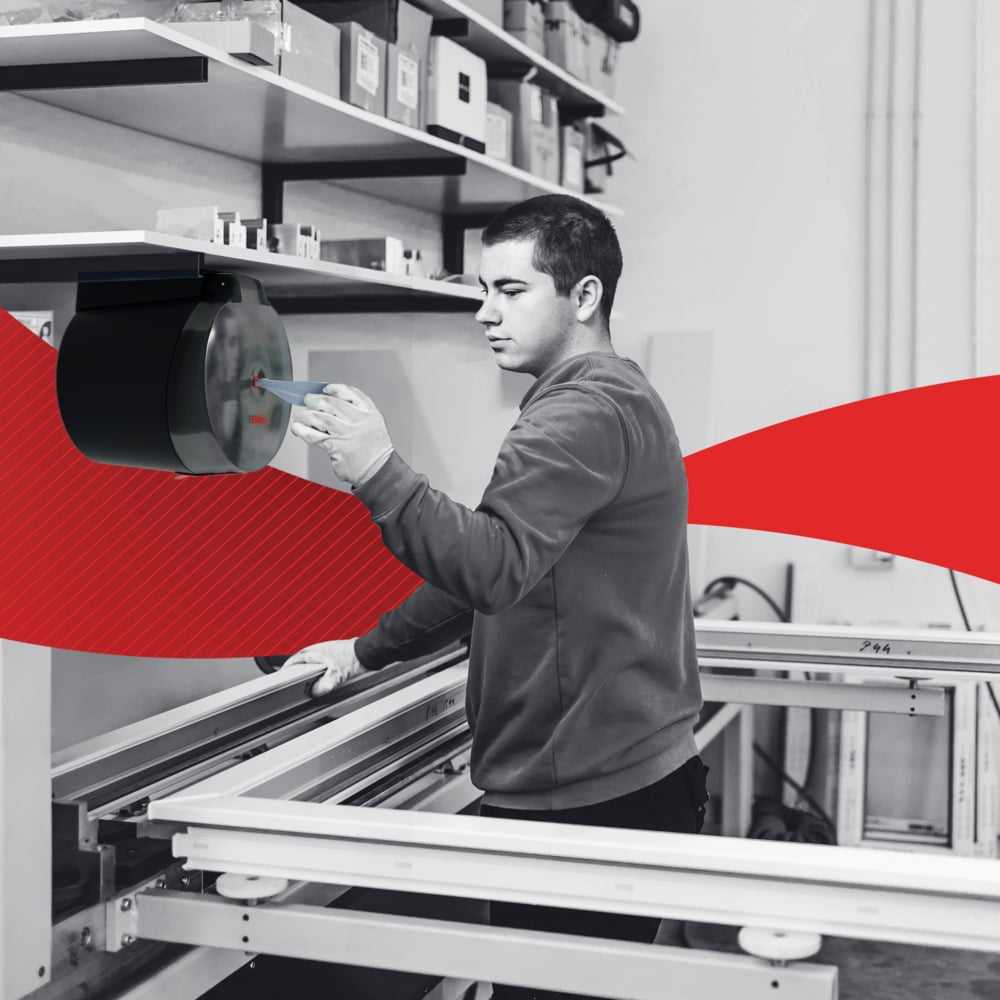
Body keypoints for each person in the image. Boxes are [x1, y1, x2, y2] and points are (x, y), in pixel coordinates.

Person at [286, 193, 707, 999]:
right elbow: (499, 561)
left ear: (584, 297)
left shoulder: (580, 412)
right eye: (482, 290)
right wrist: (365, 649)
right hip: (620, 777)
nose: (485, 313)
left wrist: (377, 469)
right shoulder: (606, 394)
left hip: (589, 803)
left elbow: (491, 567)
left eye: (511, 291)